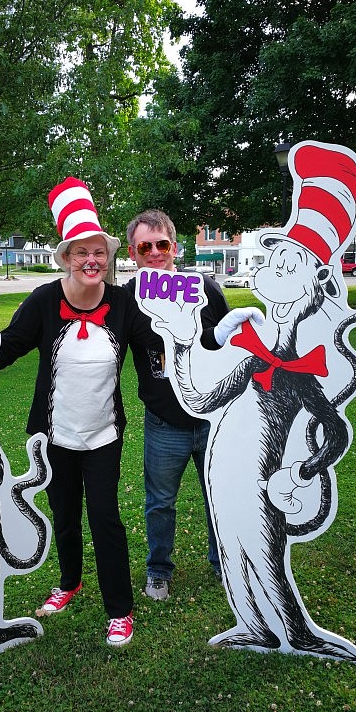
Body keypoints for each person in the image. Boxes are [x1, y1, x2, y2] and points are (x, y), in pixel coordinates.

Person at [0, 179, 160, 646]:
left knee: (105, 517)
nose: (92, 260)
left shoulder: (125, 303)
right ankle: (69, 582)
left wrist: (219, 337)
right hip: (54, 436)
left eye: (99, 253)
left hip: (104, 434)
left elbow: (160, 343)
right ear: (66, 257)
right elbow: (6, 349)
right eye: (81, 252)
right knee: (64, 514)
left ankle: (120, 609)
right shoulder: (45, 301)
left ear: (108, 259)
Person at [124, 210, 262, 601]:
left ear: (175, 246)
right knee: (160, 503)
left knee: (218, 495)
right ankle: (158, 570)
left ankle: (226, 564)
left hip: (214, 419)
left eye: (161, 244)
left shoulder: (205, 288)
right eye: (144, 246)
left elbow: (230, 348)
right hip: (164, 423)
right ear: (133, 252)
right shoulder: (129, 299)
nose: (154, 252)